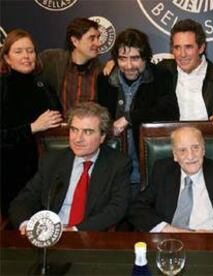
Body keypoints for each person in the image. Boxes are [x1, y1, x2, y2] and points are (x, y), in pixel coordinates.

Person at [9, 102, 131, 232]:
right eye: (74, 130)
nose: (78, 139)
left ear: (102, 136)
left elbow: (117, 209)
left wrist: (74, 230)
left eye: (87, 132)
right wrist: (27, 225)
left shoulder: (118, 164)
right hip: (49, 234)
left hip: (89, 235)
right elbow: (22, 201)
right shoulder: (52, 161)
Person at [128, 126, 213, 233]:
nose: (190, 156)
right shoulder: (163, 171)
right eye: (182, 150)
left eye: (195, 147)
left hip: (211, 242)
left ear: (203, 150)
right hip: (170, 241)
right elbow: (137, 206)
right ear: (175, 155)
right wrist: (166, 229)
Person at [97, 28, 179, 188]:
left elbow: (169, 112)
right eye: (122, 59)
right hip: (113, 174)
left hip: (149, 171)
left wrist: (129, 118)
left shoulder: (160, 76)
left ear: (146, 58)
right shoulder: (105, 80)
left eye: (135, 58)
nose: (128, 65)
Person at [0, 29, 62, 216]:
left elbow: (58, 120)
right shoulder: (1, 87)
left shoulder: (44, 85)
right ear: (7, 58)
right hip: (10, 172)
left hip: (45, 170)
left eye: (30, 50)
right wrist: (33, 127)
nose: (26, 56)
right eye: (18, 51)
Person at [157, 19, 213, 126]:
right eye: (177, 47)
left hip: (207, 140)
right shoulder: (163, 71)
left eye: (188, 47)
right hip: (171, 139)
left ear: (201, 48)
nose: (182, 54)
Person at [39, 18, 102, 115]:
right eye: (92, 38)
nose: (98, 43)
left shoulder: (101, 71)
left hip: (88, 129)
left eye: (98, 38)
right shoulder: (51, 60)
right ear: (75, 41)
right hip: (57, 129)